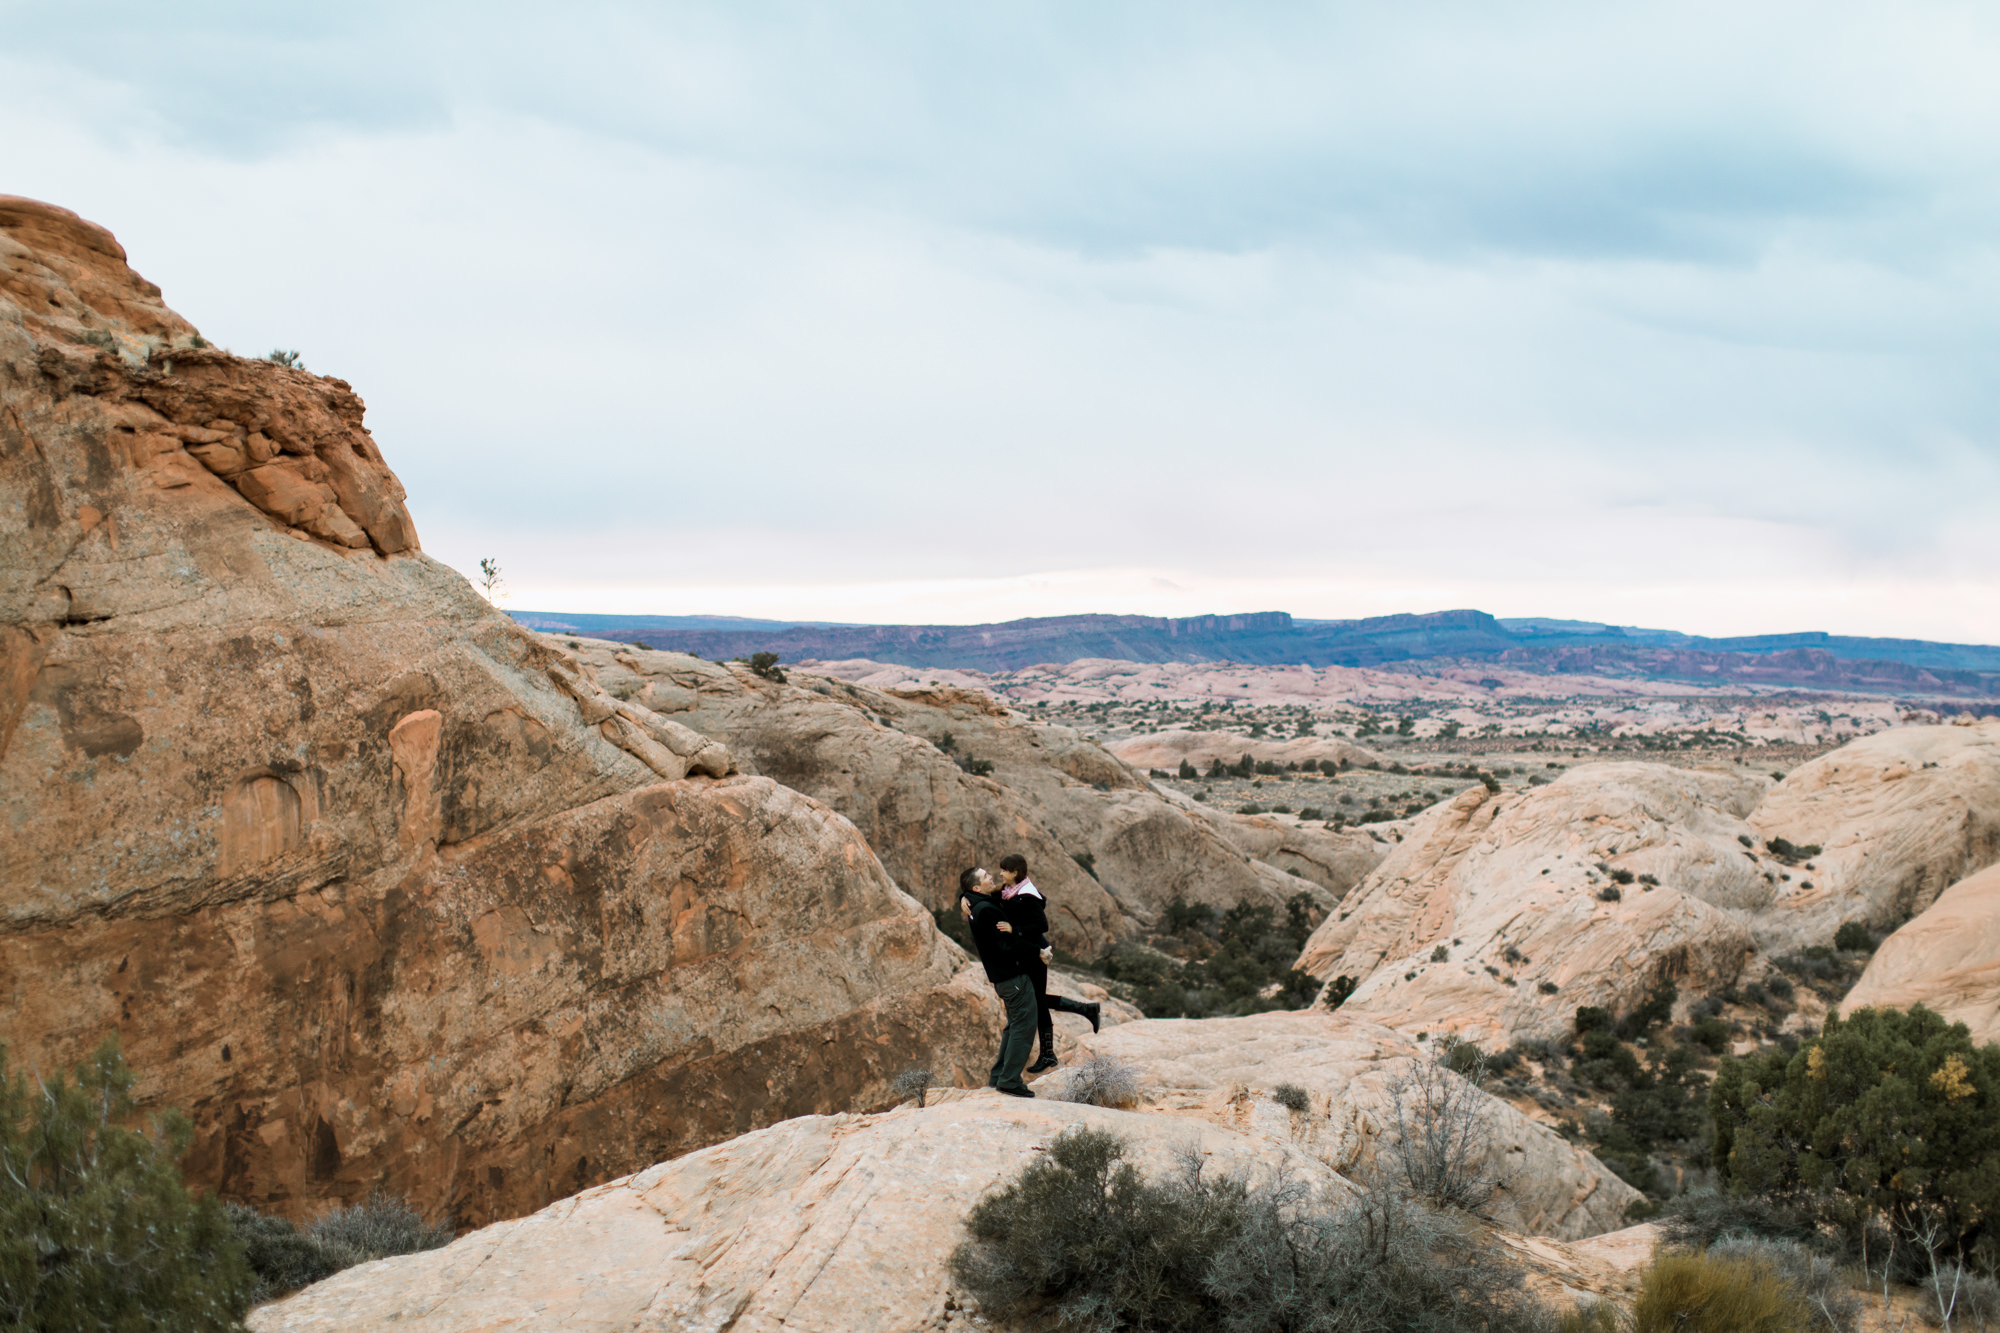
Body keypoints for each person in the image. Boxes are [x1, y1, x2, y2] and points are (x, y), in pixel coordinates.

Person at [996, 853, 1101, 1073]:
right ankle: (1086, 1010)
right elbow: (988, 895)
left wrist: (1016, 929)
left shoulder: (1027, 895)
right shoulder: (1009, 892)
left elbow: (1042, 925)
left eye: (1004, 870)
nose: (1001, 873)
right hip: (1027, 954)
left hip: (1036, 955)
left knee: (1039, 1001)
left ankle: (1048, 1054)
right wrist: (964, 898)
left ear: (1015, 873)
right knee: (1037, 999)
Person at [958, 866, 1038, 1097]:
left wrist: (962, 897)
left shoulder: (975, 903)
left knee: (1014, 1025)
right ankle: (1010, 1081)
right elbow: (1005, 945)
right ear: (976, 887)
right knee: (1023, 1027)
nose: (991, 877)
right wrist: (1035, 952)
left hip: (1003, 978)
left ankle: (999, 1077)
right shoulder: (986, 910)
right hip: (1012, 976)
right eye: (986, 877)